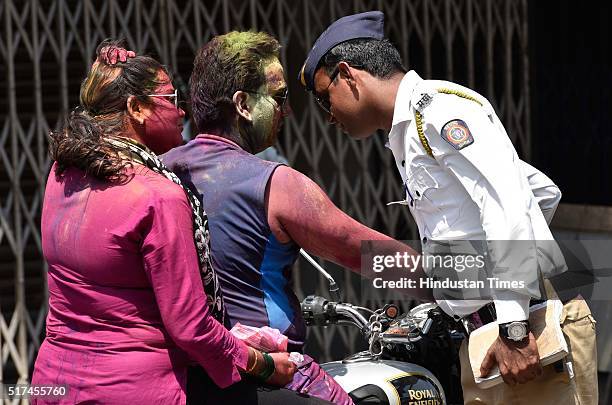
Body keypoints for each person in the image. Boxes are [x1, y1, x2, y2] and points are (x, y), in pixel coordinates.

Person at [298, 11, 597, 405]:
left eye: (325, 98)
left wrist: (514, 323)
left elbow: (505, 203)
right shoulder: (406, 131)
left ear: (348, 74)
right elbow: (539, 192)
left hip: (522, 340)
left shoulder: (438, 112)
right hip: (483, 340)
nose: (329, 116)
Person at [158, 31, 432, 404]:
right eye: (279, 98)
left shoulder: (160, 172)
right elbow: (369, 254)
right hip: (261, 382)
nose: (287, 111)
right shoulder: (275, 184)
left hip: (181, 380)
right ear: (242, 105)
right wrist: (472, 283)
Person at [30, 40, 297, 405]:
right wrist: (264, 364)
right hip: (135, 390)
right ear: (136, 108)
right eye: (172, 100)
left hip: (54, 384)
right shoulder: (158, 196)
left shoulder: (62, 174)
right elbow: (191, 328)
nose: (182, 113)